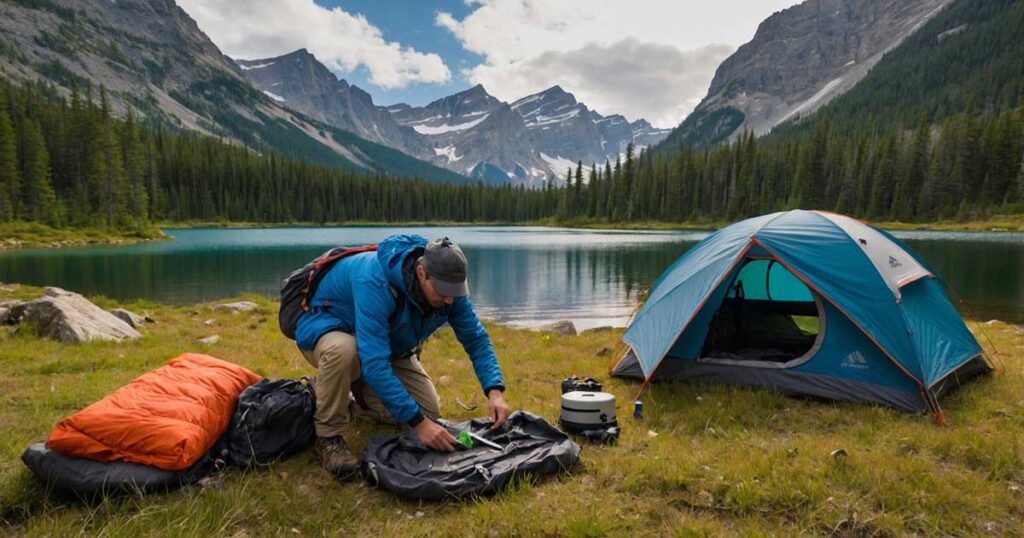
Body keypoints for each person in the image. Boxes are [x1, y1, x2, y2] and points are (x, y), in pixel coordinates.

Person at [294, 234, 510, 480]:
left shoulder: (449, 287)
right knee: (346, 351)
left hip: (386, 344)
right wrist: (419, 423)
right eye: (443, 292)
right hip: (329, 328)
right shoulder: (374, 280)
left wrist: (495, 391)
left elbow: (476, 339)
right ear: (421, 272)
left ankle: (359, 400)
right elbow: (375, 364)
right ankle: (328, 436)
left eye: (455, 292)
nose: (450, 299)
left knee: (429, 411)